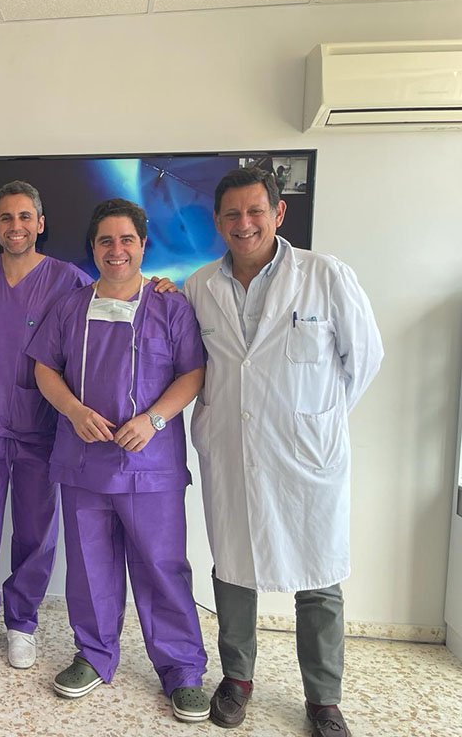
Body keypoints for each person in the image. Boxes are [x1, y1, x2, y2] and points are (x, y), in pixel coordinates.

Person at [184, 167, 383, 737]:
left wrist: (315, 419)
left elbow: (363, 358)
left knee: (318, 575)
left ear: (278, 213)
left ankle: (323, 699)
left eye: (255, 212)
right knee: (233, 567)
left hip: (306, 455)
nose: (243, 224)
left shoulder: (324, 275)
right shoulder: (201, 286)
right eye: (231, 215)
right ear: (217, 221)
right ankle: (237, 678)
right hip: (230, 447)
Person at [27, 198, 209, 720]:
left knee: (162, 568)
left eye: (126, 239)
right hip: (84, 460)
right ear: (93, 248)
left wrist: (152, 420)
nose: (116, 249)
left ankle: (181, 671)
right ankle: (95, 653)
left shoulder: (171, 306)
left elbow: (191, 373)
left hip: (151, 467)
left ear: (143, 245)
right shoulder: (70, 306)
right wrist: (73, 410)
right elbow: (45, 368)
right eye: (105, 240)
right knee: (89, 568)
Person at [0, 180, 92, 676]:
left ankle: (23, 624)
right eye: (6, 218)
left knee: (35, 532)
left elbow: (115, 307)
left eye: (25, 217)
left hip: (41, 429)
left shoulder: (69, 279)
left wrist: (159, 285)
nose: (16, 226)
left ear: (41, 223)